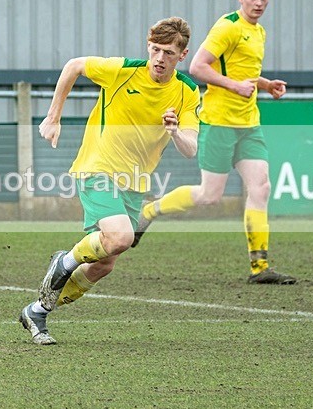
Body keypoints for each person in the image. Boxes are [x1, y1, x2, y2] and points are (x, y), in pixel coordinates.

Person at [20, 17, 200, 345]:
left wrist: (175, 132)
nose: (160, 58)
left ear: (183, 55)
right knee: (120, 237)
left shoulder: (187, 92)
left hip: (134, 182)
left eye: (169, 53)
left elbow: (190, 149)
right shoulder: (123, 70)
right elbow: (74, 66)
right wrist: (53, 116)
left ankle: (38, 309)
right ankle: (65, 261)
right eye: (156, 50)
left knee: (105, 264)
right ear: (149, 47)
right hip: (97, 168)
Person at [132, 0, 295, 285]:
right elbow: (198, 67)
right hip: (219, 122)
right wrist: (235, 87)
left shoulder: (258, 31)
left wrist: (265, 84)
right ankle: (149, 211)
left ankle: (260, 268)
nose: (259, 3)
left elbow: (241, 73)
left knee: (261, 187)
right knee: (209, 195)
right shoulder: (228, 27)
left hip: (249, 124)